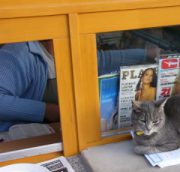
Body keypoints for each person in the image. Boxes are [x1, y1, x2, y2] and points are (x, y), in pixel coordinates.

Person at [0, 41, 154, 132]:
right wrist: (50, 110)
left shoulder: (68, 42)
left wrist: (147, 53)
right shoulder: (17, 54)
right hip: (19, 138)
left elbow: (102, 60)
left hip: (62, 129)